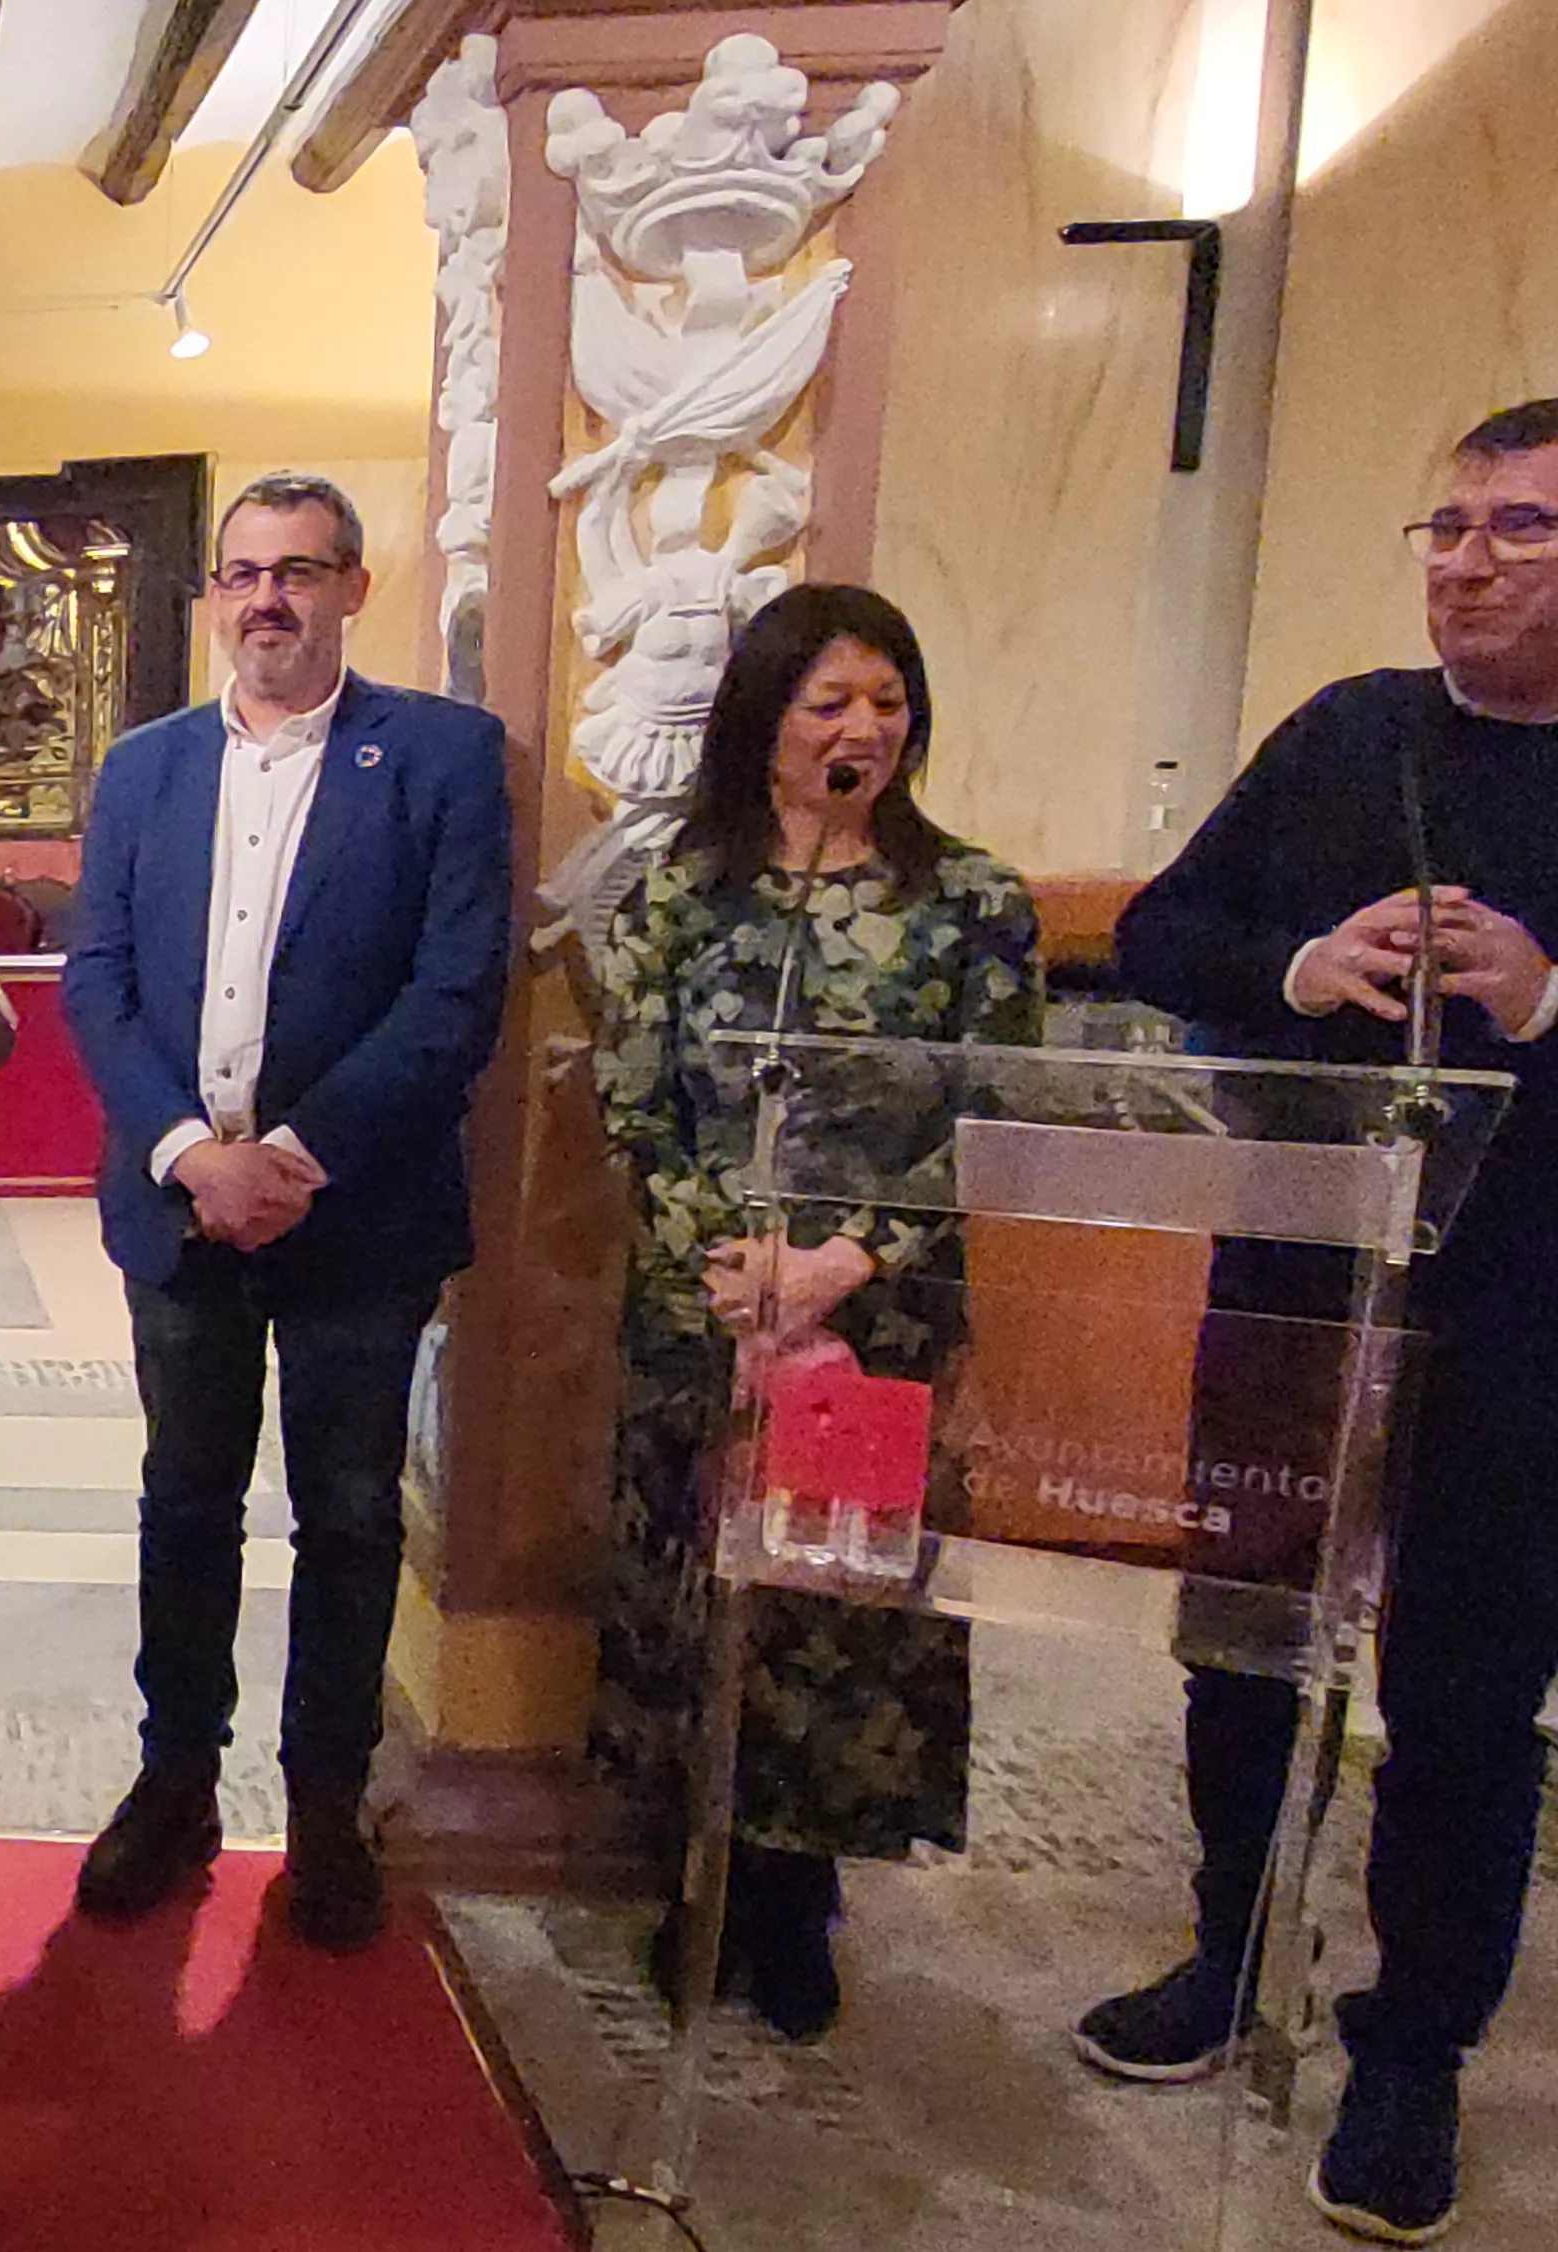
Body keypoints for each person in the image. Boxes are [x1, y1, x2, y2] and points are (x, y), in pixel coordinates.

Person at [1079, 398, 1558, 2245]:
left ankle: (1415, 2050)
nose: (1466, 562)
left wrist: (1546, 996)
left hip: (1520, 1329)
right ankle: (1229, 1949)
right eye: (1445, 527)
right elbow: (1158, 936)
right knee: (1247, 1644)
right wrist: (1302, 964)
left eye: (1515, 529)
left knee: (1462, 1698)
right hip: (1297, 1281)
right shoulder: (1352, 734)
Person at [56, 471, 512, 1949]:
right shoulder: (144, 769)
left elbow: (455, 998)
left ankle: (324, 1803)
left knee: (353, 1515)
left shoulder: (441, 758)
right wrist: (197, 1154)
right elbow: (97, 981)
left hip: (358, 1220)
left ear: (353, 588)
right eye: (243, 573)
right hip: (182, 1214)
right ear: (214, 599)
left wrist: (294, 1161)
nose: (267, 599)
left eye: (298, 572)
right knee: (183, 1505)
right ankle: (174, 1777)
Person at [586, 583, 1040, 2039]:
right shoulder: (679, 888)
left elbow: (995, 1118)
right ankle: (695, 1880)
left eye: (886, 701)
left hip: (874, 1316)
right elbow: (634, 1101)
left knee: (836, 1613)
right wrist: (730, 1265)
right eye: (828, 702)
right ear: (764, 720)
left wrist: (848, 1262)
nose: (862, 729)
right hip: (703, 1307)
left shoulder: (973, 901)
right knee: (701, 1598)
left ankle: (799, 1902)